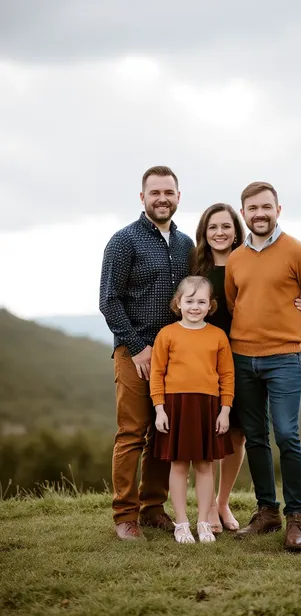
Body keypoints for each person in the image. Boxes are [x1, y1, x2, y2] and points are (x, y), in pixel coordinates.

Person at [225, 181, 301, 551]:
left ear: (278, 209)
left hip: (285, 357)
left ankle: (296, 516)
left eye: (266, 207)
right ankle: (266, 511)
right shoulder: (236, 258)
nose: (259, 213)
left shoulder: (297, 252)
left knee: (286, 434)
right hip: (242, 357)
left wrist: (293, 329)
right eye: (252, 208)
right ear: (244, 213)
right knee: (255, 436)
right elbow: (234, 301)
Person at [192, 203, 301, 534]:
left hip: (242, 355)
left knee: (240, 433)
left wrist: (299, 312)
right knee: (213, 432)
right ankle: (209, 506)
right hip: (205, 359)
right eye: (213, 227)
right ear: (204, 231)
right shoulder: (195, 265)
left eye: (226, 226)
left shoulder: (246, 259)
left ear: (236, 228)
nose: (220, 232)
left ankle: (224, 502)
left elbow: (274, 297)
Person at [99, 165, 194, 540]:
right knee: (132, 433)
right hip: (134, 352)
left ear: (178, 197)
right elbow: (109, 301)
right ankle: (125, 515)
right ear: (143, 197)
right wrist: (138, 349)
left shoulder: (187, 244)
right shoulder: (124, 241)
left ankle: (153, 506)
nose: (162, 199)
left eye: (168, 192)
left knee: (162, 433)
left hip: (175, 353)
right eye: (155, 193)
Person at [150, 276, 235, 543]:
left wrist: (225, 410)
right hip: (176, 406)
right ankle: (182, 523)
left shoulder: (218, 336)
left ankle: (203, 523)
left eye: (201, 301)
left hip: (208, 407)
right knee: (177, 465)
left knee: (205, 465)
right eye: (189, 301)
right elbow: (157, 373)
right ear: (178, 303)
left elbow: (227, 375)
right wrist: (159, 409)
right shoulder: (167, 334)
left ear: (211, 305)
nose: (195, 307)